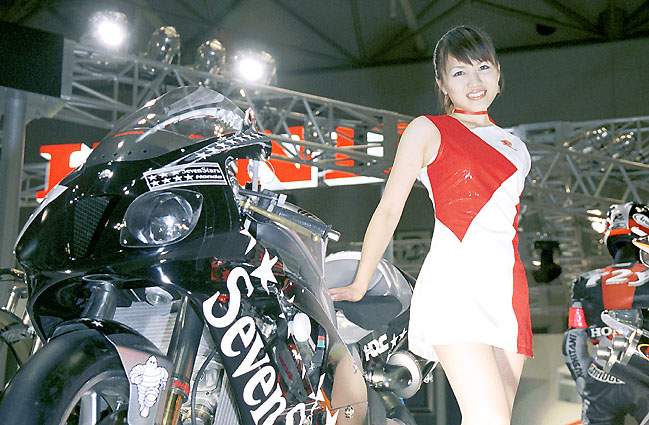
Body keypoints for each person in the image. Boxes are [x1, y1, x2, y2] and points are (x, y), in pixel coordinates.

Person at [329, 25, 532, 425]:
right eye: (459, 72)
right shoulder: (428, 130)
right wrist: (360, 281)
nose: (474, 81)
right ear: (442, 83)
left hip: (509, 292)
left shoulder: (517, 149)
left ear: (498, 72)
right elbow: (389, 208)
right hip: (455, 287)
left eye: (483, 68)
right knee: (488, 418)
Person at [563, 202, 649, 425]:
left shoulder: (584, 282)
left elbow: (573, 338)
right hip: (643, 377)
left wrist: (583, 380)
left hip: (600, 378)